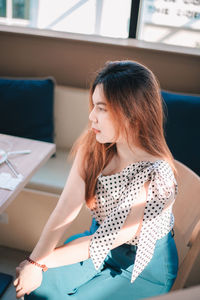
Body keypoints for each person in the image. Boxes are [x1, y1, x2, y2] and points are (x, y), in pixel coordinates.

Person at [14, 60, 178, 300]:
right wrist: (34, 261)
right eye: (94, 106)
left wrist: (36, 265)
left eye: (101, 108)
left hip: (141, 265)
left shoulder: (156, 177)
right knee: (38, 290)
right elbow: (64, 210)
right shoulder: (95, 146)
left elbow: (103, 241)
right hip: (94, 241)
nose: (91, 116)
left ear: (132, 113)